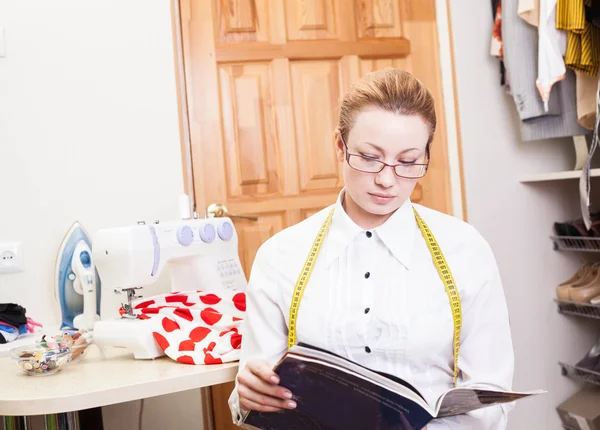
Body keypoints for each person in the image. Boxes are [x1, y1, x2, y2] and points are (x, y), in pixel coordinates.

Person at [228, 68, 514, 429]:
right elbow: (251, 396)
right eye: (368, 157)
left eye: (408, 161)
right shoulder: (280, 256)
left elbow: (488, 398)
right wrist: (248, 394)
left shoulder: (466, 251)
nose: (386, 178)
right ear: (340, 145)